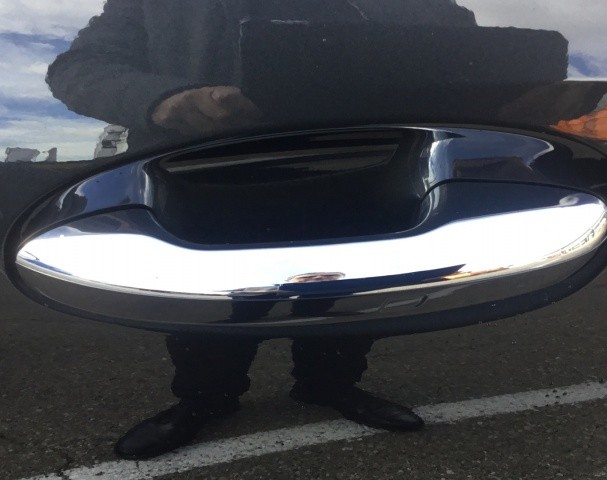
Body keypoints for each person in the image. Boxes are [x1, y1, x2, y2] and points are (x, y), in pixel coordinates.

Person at [47, 0, 480, 460]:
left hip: (361, 169)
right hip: (210, 174)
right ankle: (205, 398)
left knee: (343, 291)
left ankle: (328, 385)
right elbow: (78, 67)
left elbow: (463, 51)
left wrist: (507, 88)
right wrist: (163, 99)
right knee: (214, 300)